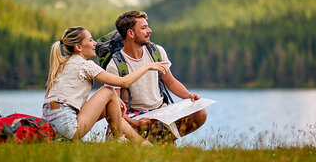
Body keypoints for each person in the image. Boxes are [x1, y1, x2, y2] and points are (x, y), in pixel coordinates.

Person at [42, 26, 168, 143]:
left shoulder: (65, 63)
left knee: (110, 101)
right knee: (108, 90)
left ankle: (140, 143)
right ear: (79, 47)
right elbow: (123, 82)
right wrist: (147, 67)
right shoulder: (85, 65)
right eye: (91, 40)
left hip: (54, 124)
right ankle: (121, 139)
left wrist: (115, 102)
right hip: (69, 126)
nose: (95, 43)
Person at [106, 11, 207, 142]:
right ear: (130, 33)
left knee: (200, 113)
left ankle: (158, 140)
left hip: (160, 111)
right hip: (134, 117)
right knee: (121, 138)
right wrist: (135, 123)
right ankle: (155, 140)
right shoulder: (115, 65)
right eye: (144, 28)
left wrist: (188, 96)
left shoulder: (156, 51)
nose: (149, 30)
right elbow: (114, 107)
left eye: (147, 26)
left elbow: (170, 82)